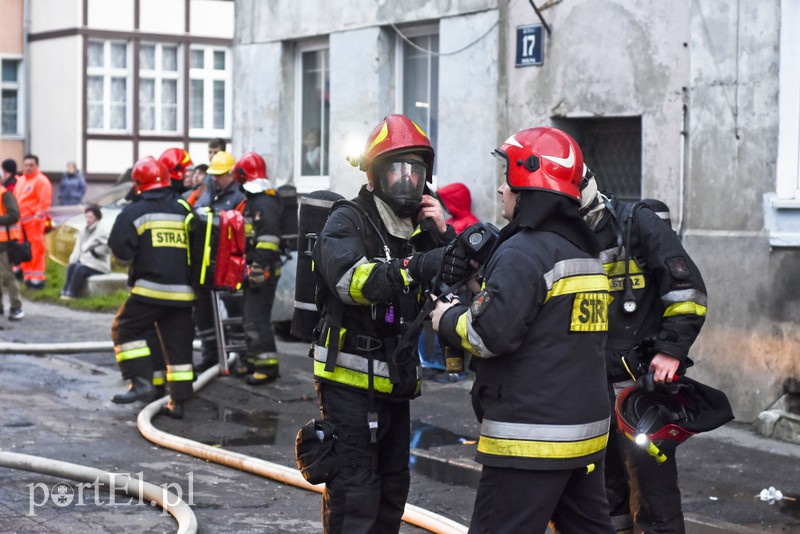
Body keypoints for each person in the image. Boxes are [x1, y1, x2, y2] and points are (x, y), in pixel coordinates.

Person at [430, 127, 615, 533]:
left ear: (528, 188)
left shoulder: (523, 252)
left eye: (507, 179)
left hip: (529, 440)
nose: (500, 189)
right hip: (584, 437)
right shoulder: (584, 251)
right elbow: (545, 327)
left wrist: (446, 316)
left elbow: (488, 335)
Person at [311, 114, 461, 533]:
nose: (407, 181)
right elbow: (350, 281)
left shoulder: (421, 229)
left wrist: (445, 235)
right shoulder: (349, 220)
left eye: (416, 171)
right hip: (349, 381)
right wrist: (414, 267)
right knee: (354, 492)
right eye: (397, 170)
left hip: (396, 383)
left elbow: (458, 284)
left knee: (394, 487)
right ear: (374, 176)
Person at [579, 167, 709, 533]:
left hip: (637, 388)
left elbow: (688, 292)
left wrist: (670, 350)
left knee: (653, 492)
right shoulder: (558, 234)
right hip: (586, 384)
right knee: (600, 492)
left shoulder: (638, 224)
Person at [108, 156, 195, 418]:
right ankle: (177, 403)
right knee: (178, 347)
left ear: (137, 184)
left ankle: (140, 382)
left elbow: (120, 252)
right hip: (184, 292)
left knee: (124, 328)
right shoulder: (184, 209)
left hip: (149, 290)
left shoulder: (134, 211)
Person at [232, 152, 282, 385]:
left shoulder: (265, 201)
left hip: (263, 268)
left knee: (257, 318)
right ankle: (253, 360)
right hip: (254, 266)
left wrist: (259, 265)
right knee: (249, 317)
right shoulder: (254, 200)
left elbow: (269, 239)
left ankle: (267, 366)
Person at [194, 150, 246, 373]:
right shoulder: (207, 193)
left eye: (220, 174)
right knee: (203, 313)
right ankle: (210, 356)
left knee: (235, 313)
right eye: (213, 174)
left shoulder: (239, 199)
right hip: (205, 266)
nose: (215, 178)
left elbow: (241, 231)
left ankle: (240, 358)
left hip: (227, 266)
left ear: (232, 174)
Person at [14, 154, 52, 290]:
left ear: (37, 166)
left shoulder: (41, 181)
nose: (28, 168)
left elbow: (44, 202)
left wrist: (38, 218)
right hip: (21, 222)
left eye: (31, 165)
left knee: (36, 249)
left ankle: (37, 279)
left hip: (33, 221)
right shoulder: (21, 180)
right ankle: (28, 276)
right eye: (26, 165)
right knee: (25, 251)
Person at [60, 204, 110, 300]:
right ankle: (65, 290)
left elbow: (107, 247)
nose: (88, 219)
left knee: (80, 268)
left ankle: (72, 293)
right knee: (72, 266)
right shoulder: (83, 231)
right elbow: (79, 248)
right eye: (86, 217)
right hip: (86, 262)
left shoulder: (102, 231)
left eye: (90, 217)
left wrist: (94, 251)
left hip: (99, 265)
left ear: (97, 217)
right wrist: (73, 260)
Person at [0, 179, 23, 320]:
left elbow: (14, 215)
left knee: (8, 276)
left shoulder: (5, 194)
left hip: (4, 244)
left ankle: (16, 307)